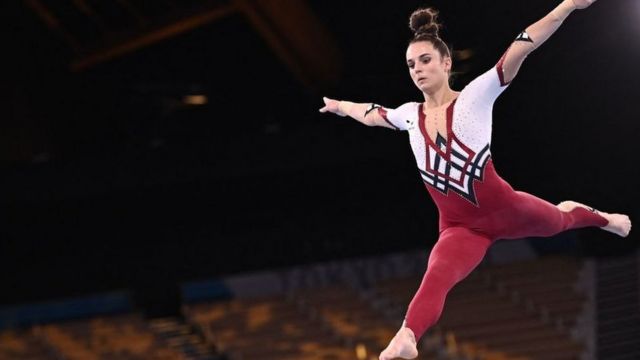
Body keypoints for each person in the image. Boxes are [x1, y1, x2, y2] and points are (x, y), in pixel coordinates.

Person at [319, 0, 632, 359]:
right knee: (437, 273)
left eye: (425, 60)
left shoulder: (475, 97)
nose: (417, 69)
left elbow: (523, 45)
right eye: (410, 64)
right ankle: (407, 335)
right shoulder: (410, 116)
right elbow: (373, 114)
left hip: (507, 208)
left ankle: (604, 219)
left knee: (560, 221)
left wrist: (567, 6)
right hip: (460, 227)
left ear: (446, 62)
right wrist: (341, 106)